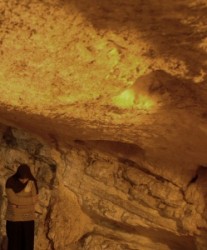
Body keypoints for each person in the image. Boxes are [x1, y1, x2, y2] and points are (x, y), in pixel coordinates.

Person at [5, 164, 38, 250]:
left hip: (28, 218)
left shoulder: (31, 182)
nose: (24, 181)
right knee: (14, 244)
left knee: (27, 244)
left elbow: (35, 199)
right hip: (14, 219)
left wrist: (18, 206)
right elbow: (13, 200)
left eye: (26, 178)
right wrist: (28, 203)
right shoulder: (10, 182)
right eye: (21, 178)